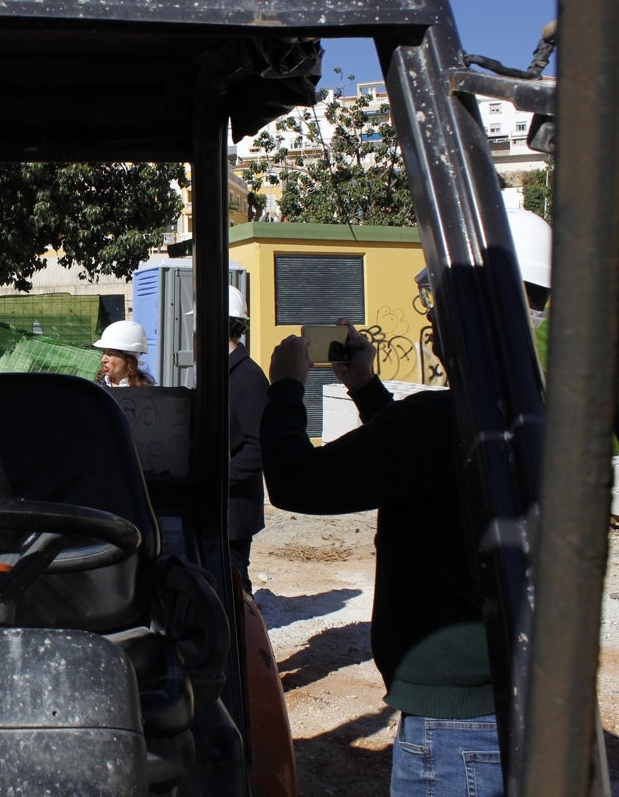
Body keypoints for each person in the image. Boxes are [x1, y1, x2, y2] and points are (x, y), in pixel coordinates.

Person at [258, 208, 552, 797]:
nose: (433, 317)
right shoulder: (525, 411)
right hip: (513, 700)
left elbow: (296, 481)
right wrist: (367, 390)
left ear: (483, 304)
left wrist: (288, 384)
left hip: (458, 728)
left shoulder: (441, 421)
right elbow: (420, 464)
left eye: (439, 298)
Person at [201, 287, 268, 597]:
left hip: (234, 511)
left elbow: (259, 448)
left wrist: (216, 478)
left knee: (234, 582)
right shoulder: (220, 374)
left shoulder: (248, 378)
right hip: (218, 505)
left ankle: (243, 638)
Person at [93, 319, 155, 387]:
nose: (103, 359)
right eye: (104, 352)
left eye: (111, 354)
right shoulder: (95, 390)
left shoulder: (146, 392)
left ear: (130, 360)